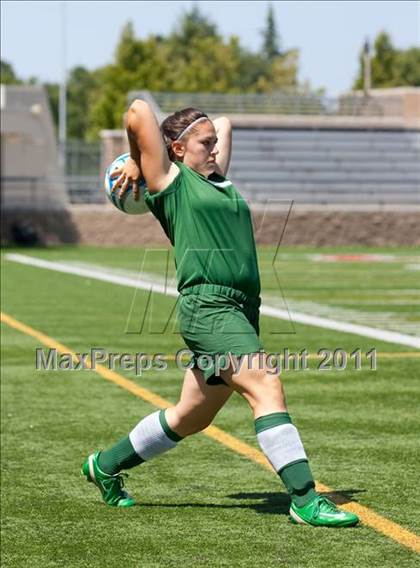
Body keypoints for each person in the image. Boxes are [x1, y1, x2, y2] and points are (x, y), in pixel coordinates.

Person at [81, 100, 359, 528]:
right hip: (209, 308)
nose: (214, 149)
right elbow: (137, 110)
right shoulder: (172, 183)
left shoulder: (215, 180)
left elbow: (224, 123)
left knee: (190, 416)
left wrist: (203, 133)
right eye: (204, 144)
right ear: (175, 150)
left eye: (213, 144)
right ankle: (304, 500)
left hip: (242, 309)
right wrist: (139, 160)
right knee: (266, 384)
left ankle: (103, 466)